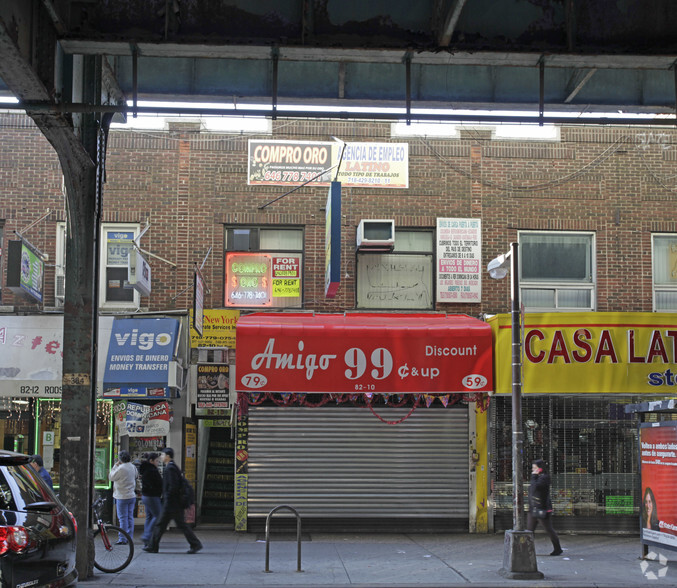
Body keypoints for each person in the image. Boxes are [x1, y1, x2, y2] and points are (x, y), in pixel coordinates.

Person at [143, 448, 202, 554]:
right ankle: (153, 545)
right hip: (173, 502)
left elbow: (173, 486)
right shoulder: (172, 467)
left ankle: (153, 546)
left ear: (168, 456)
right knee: (165, 525)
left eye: (162, 455)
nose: (161, 457)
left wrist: (167, 499)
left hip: (171, 503)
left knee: (162, 524)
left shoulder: (170, 468)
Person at [527, 459, 563, 556]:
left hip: (542, 508)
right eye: (532, 468)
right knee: (529, 531)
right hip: (533, 508)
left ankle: (558, 548)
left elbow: (535, 488)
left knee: (548, 529)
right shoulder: (538, 477)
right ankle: (528, 550)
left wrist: (534, 476)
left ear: (540, 469)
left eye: (535, 468)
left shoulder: (544, 478)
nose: (533, 470)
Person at [108, 450, 138, 545]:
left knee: (122, 518)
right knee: (130, 517)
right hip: (131, 495)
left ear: (120, 459)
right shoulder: (133, 467)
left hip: (121, 496)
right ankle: (129, 537)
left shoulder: (121, 468)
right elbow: (136, 476)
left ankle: (122, 538)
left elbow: (111, 477)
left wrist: (115, 466)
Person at [139, 452, 163, 548]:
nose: (157, 463)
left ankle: (147, 540)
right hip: (152, 496)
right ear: (151, 461)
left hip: (146, 496)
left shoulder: (145, 469)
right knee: (158, 516)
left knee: (149, 517)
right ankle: (147, 535)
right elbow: (158, 483)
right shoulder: (152, 470)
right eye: (156, 461)